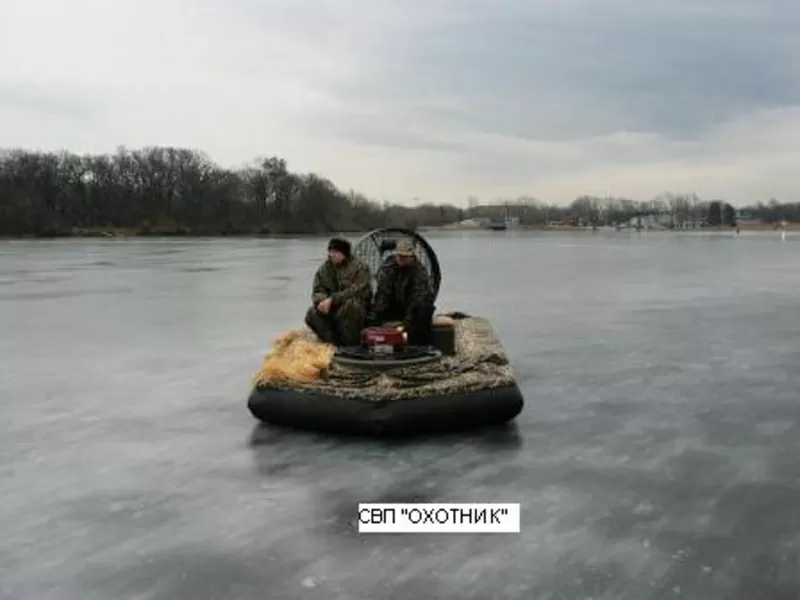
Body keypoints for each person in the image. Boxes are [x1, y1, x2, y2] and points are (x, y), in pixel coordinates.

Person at [305, 237, 372, 346]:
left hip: (357, 308)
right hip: (333, 308)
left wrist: (332, 299)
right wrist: (322, 301)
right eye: (330, 251)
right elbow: (318, 289)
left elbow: (357, 290)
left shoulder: (360, 267)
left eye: (335, 252)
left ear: (344, 254)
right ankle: (333, 343)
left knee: (352, 306)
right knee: (311, 313)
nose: (331, 254)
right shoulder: (325, 268)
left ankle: (352, 345)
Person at [371, 237, 436, 345]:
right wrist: (375, 313)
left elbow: (418, 299)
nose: (401, 258)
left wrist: (406, 324)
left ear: (411, 256)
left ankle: (419, 346)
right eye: (398, 255)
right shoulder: (388, 267)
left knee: (423, 309)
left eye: (404, 256)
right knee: (372, 313)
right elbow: (383, 293)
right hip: (393, 306)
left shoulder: (420, 272)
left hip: (411, 309)